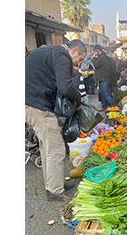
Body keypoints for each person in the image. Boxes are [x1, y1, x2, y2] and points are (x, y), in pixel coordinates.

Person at [25, 39, 87, 201]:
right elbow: (65, 86)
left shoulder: (52, 52)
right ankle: (54, 190)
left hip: (32, 103)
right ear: (73, 50)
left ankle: (54, 182)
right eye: (79, 59)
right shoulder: (61, 55)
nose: (78, 64)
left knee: (47, 147)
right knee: (56, 148)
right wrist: (79, 99)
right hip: (38, 106)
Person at [92, 46, 118, 110]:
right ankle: (104, 106)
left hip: (104, 78)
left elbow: (96, 64)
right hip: (102, 78)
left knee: (105, 94)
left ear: (98, 50)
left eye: (95, 50)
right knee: (102, 93)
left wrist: (94, 58)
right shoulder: (102, 57)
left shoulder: (102, 58)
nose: (95, 52)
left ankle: (114, 106)